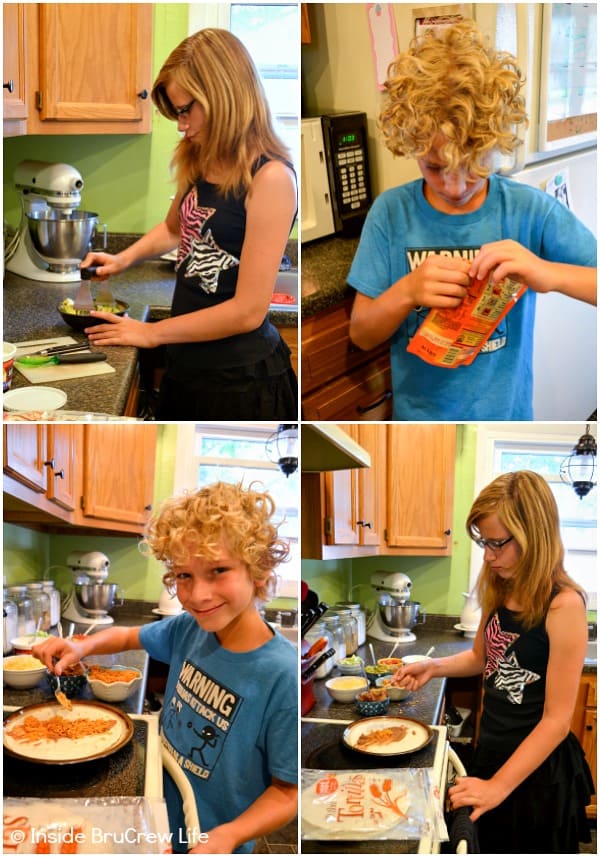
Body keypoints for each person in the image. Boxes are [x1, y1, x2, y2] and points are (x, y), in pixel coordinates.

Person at [347, 20, 596, 421]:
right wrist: (408, 291)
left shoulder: (529, 211)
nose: (455, 184)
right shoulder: (391, 214)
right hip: (419, 421)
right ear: (410, 145)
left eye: (475, 164)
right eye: (433, 167)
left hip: (506, 415)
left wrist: (548, 273)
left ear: (497, 142)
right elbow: (361, 333)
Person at [34, 482, 298, 855]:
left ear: (259, 569)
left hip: (210, 838)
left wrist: (231, 835)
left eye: (218, 570)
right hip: (155, 813)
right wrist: (82, 645)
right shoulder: (189, 629)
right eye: (184, 575)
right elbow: (128, 636)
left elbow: (288, 792)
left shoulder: (281, 675)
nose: (197, 595)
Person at [80, 28, 298, 420]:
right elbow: (175, 229)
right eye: (176, 113)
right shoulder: (200, 157)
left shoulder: (271, 179)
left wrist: (150, 333)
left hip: (240, 380)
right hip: (187, 362)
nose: (181, 125)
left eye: (186, 110)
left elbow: (248, 311)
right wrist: (121, 259)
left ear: (224, 96)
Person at [391, 471, 593, 853]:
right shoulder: (502, 587)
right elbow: (483, 658)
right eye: (484, 542)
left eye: (497, 543)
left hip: (535, 773)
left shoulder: (563, 605)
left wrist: (498, 787)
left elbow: (556, 721)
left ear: (535, 536)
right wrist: (434, 667)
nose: (488, 555)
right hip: (494, 753)